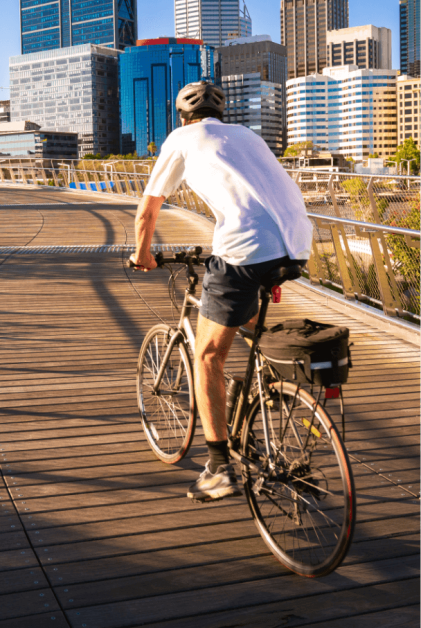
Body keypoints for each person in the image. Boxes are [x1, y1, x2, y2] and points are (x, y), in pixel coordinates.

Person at [128, 80, 313, 502]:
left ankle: (217, 468)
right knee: (242, 315)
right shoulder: (247, 136)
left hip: (246, 250)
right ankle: (264, 391)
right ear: (221, 114)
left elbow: (148, 210)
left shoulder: (181, 138)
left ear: (182, 116)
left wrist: (143, 255)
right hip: (296, 243)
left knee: (208, 355)